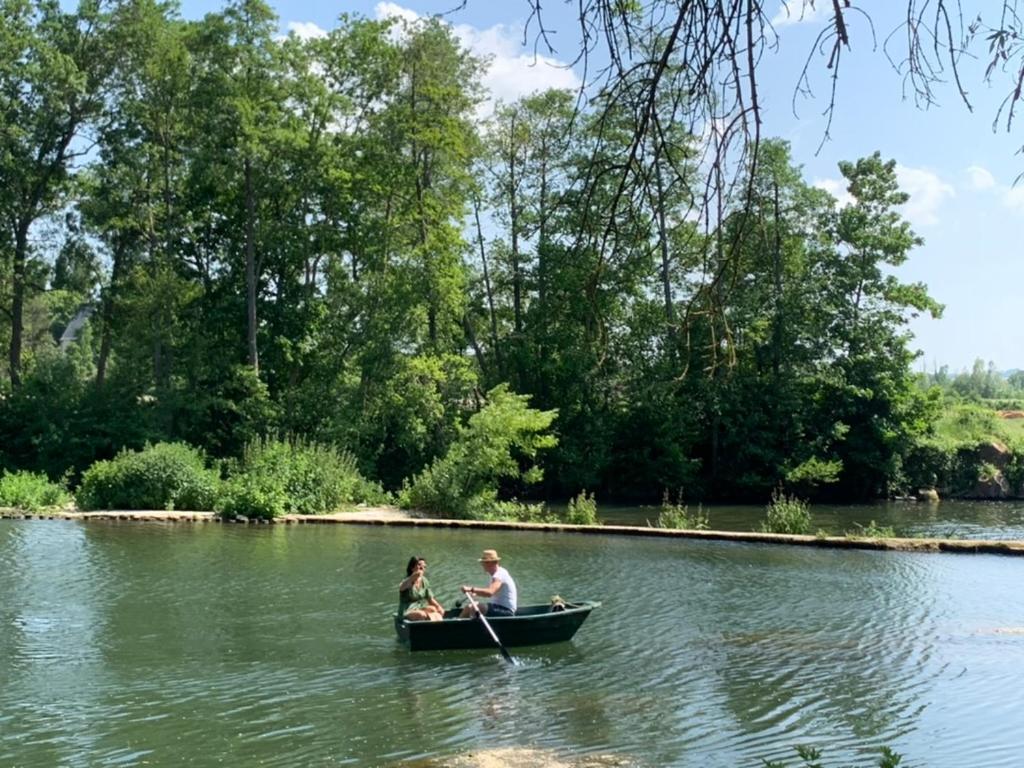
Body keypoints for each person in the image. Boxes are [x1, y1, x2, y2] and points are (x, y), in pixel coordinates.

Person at [459, 549, 517, 618]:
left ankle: (457, 626)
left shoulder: (499, 574)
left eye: (484, 562)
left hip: (506, 612)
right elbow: (489, 592)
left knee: (474, 607)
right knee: (469, 607)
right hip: (497, 608)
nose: (482, 565)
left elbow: (489, 592)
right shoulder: (495, 574)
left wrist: (471, 589)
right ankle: (457, 623)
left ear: (492, 563)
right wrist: (475, 593)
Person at [398, 556, 445, 622]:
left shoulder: (424, 580)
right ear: (412, 567)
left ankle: (438, 628)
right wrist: (414, 576)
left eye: (424, 566)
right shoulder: (407, 580)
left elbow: (430, 599)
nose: (422, 568)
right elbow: (401, 587)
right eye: (419, 565)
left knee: (434, 609)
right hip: (407, 610)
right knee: (421, 614)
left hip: (419, 607)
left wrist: (439, 607)